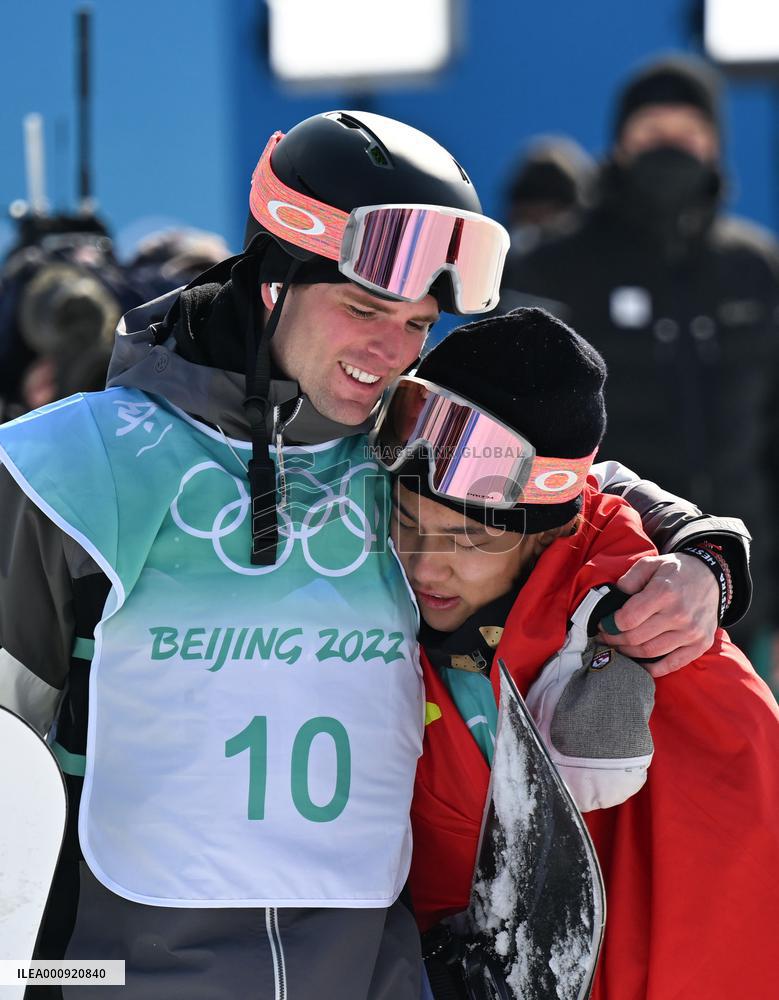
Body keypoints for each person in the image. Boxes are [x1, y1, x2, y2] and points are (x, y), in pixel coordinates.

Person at [0, 111, 750, 999]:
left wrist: (699, 551)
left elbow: (570, 487)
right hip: (123, 973)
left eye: (416, 325)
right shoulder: (68, 469)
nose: (388, 354)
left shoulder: (405, 449)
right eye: (362, 309)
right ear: (274, 280)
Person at [370, 307, 779, 999]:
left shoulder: (667, 648)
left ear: (541, 535)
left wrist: (707, 549)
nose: (425, 564)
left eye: (470, 539)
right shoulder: (379, 607)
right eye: (405, 522)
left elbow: (730, 926)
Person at [502, 54, 779, 688]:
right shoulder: (554, 266)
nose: (670, 150)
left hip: (743, 593)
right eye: (652, 133)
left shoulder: (755, 269)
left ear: (715, 146)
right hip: (603, 595)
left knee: (749, 777)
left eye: (687, 135)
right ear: (620, 143)